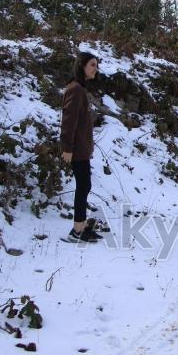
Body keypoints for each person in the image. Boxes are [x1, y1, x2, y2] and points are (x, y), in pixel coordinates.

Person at [61, 51, 102, 243]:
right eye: (92, 64)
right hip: (76, 149)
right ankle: (77, 230)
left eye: (96, 64)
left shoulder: (79, 89)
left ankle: (81, 226)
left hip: (81, 148)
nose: (96, 68)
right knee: (83, 186)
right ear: (82, 66)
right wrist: (67, 148)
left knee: (84, 186)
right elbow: (69, 121)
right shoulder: (75, 90)